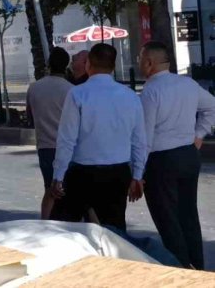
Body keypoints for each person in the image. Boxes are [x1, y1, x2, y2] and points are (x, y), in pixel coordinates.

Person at [50, 43, 147, 231]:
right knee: (115, 230)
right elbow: (139, 140)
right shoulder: (130, 96)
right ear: (113, 66)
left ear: (88, 65)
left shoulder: (78, 93)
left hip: (82, 173)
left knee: (63, 228)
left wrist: (58, 175)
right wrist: (137, 174)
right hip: (118, 173)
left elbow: (67, 139)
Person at [138, 41, 214, 269]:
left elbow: (145, 136)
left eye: (140, 59)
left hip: (161, 160)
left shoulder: (151, 91)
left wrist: (137, 172)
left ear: (149, 63)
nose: (139, 63)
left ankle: (180, 268)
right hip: (188, 155)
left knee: (167, 219)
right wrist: (199, 134)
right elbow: (212, 106)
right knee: (188, 214)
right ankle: (197, 266)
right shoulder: (188, 84)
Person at [26, 47, 73, 189]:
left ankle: (52, 212)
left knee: (50, 189)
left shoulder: (34, 88)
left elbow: (30, 117)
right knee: (70, 191)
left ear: (48, 64)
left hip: (45, 146)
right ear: (66, 65)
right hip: (68, 147)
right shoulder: (72, 90)